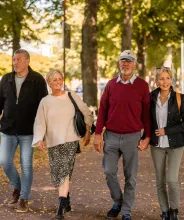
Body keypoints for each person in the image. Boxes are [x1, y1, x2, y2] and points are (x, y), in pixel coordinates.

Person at [94, 50, 151, 220]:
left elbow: (147, 114)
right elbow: (103, 110)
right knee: (108, 171)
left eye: (129, 61)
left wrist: (147, 136)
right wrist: (98, 133)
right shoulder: (111, 84)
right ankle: (118, 201)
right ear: (119, 64)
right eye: (123, 61)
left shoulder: (142, 85)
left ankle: (126, 211)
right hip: (111, 135)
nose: (125, 64)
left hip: (132, 137)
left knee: (130, 177)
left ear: (134, 65)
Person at [32, 69, 94, 219]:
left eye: (60, 78)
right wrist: (39, 139)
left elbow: (87, 112)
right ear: (49, 83)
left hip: (70, 140)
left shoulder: (71, 96)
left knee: (65, 171)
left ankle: (60, 208)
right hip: (53, 142)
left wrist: (87, 131)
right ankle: (66, 200)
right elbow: (40, 123)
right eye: (55, 80)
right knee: (58, 174)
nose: (58, 82)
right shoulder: (45, 101)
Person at [0, 49, 48, 212]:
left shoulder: (37, 80)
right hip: (7, 129)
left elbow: (43, 108)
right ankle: (18, 187)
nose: (15, 62)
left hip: (29, 131)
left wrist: (43, 132)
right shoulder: (6, 79)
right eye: (14, 59)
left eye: (18, 59)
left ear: (27, 61)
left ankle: (24, 198)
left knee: (26, 165)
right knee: (5, 161)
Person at [150, 67, 184, 220]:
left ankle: (174, 211)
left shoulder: (180, 98)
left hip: (175, 144)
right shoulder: (150, 97)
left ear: (172, 80)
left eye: (167, 78)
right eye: (161, 78)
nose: (165, 82)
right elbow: (147, 120)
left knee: (171, 179)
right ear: (157, 81)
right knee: (160, 180)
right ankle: (164, 211)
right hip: (157, 145)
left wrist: (167, 130)